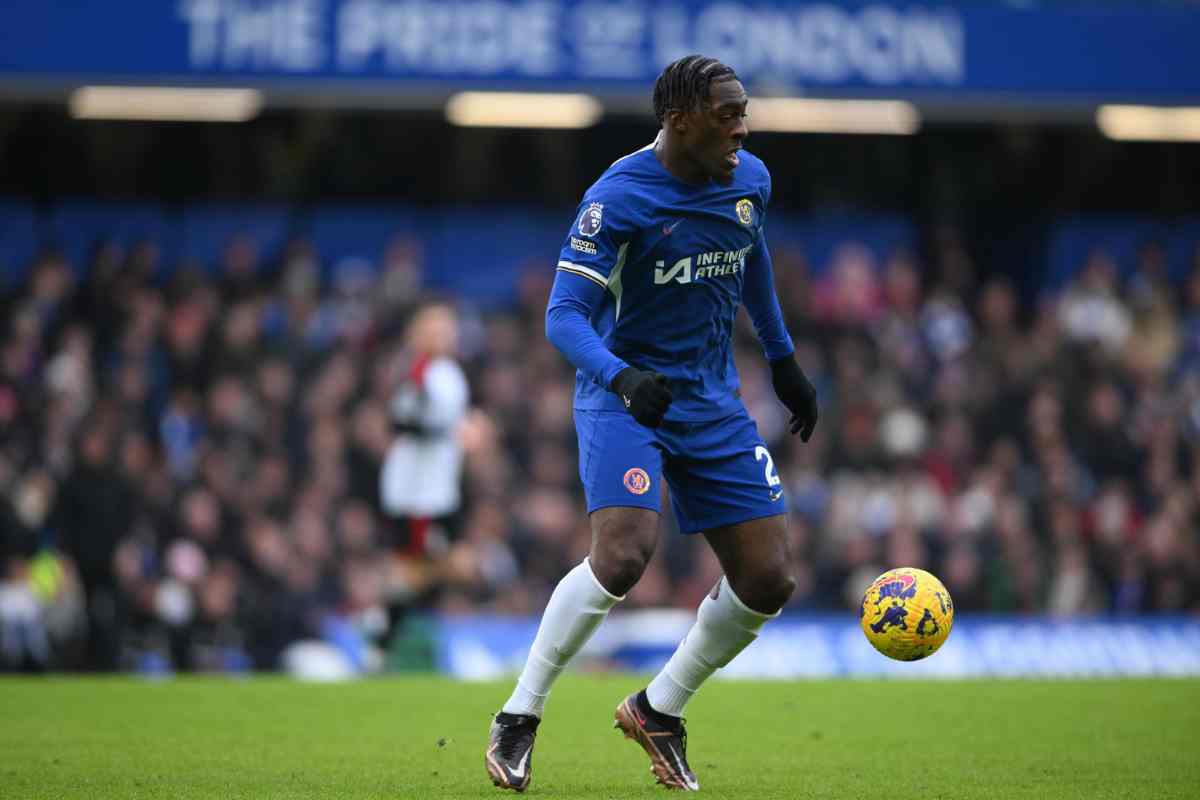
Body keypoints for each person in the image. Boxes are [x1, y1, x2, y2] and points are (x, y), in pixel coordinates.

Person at [486, 55, 819, 792]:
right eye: (726, 114)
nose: (742, 126)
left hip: (710, 397)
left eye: (743, 112)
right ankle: (520, 714)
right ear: (678, 120)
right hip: (623, 390)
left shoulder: (749, 181)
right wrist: (621, 376)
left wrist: (783, 359)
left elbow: (750, 254)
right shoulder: (620, 197)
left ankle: (658, 708)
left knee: (768, 579)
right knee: (624, 556)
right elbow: (563, 316)